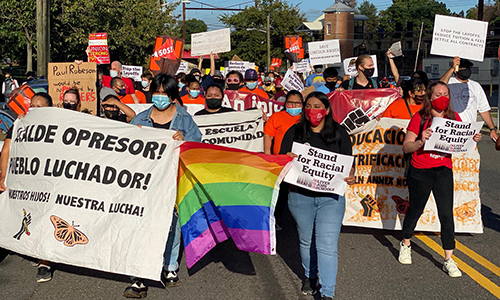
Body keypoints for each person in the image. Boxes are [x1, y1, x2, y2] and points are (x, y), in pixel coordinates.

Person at [124, 74, 201, 298]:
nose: (159, 97)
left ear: (172, 94)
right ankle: (138, 275)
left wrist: (184, 139)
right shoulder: (140, 118)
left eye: (164, 93)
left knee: (171, 224)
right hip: (144, 181)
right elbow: (125, 148)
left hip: (172, 179)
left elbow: (197, 144)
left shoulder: (184, 119)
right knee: (140, 224)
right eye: (156, 93)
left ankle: (169, 267)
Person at [399, 81, 482, 277]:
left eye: (445, 94)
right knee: (415, 210)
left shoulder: (454, 117)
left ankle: (449, 259)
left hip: (443, 170)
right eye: (438, 94)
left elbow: (463, 141)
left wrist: (473, 138)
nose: (443, 97)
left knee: (446, 214)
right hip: (420, 171)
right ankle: (406, 242)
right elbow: (406, 147)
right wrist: (421, 140)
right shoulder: (419, 118)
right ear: (430, 97)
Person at [279, 91, 355, 300]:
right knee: (306, 241)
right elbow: (280, 162)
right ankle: (310, 276)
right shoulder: (294, 132)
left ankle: (327, 293)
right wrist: (285, 159)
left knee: (327, 246)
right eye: (309, 106)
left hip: (331, 199)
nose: (313, 111)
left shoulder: (340, 133)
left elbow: (349, 165)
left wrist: (351, 176)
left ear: (327, 110)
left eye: (317, 107)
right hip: (300, 197)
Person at [0, 92, 54, 283]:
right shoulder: (19, 125)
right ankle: (30, 248)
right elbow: (6, 150)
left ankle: (45, 262)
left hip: (48, 182)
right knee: (26, 215)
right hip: (24, 181)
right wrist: (3, 176)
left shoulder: (59, 126)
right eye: (32, 105)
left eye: (39, 107)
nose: (34, 109)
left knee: (46, 217)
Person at [440, 57, 499, 142]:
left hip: (469, 134)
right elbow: (439, 86)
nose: (466, 69)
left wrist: (492, 128)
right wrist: (452, 68)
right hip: (451, 133)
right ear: (456, 69)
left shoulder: (476, 86)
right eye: (463, 67)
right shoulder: (449, 83)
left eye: (468, 67)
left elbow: (483, 110)